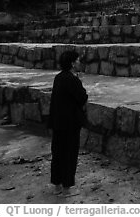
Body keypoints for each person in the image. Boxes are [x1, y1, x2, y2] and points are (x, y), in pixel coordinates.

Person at [48, 50, 88, 197]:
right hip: (70, 124)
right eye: (77, 60)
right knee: (70, 155)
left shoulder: (58, 78)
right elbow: (82, 98)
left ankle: (57, 186)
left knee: (58, 154)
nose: (79, 62)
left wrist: (50, 123)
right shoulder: (73, 80)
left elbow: (53, 102)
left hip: (58, 123)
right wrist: (79, 82)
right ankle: (66, 189)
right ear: (72, 63)